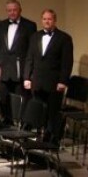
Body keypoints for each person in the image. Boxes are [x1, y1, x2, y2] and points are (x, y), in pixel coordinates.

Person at [24, 9, 73, 143]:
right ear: (41, 20)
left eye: (49, 19)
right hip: (37, 81)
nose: (47, 21)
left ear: (55, 20)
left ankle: (51, 140)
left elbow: (67, 62)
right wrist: (27, 77)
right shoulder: (35, 36)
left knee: (52, 113)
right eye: (44, 19)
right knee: (39, 112)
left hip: (54, 82)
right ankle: (38, 138)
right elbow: (29, 58)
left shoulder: (64, 38)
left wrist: (63, 81)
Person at [0, 0, 36, 125]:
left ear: (20, 10)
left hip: (21, 71)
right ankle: (6, 125)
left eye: (14, 10)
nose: (12, 12)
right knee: (4, 100)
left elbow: (32, 49)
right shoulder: (1, 25)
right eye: (9, 10)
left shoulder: (29, 25)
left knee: (21, 102)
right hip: (4, 69)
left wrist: (28, 73)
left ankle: (22, 128)